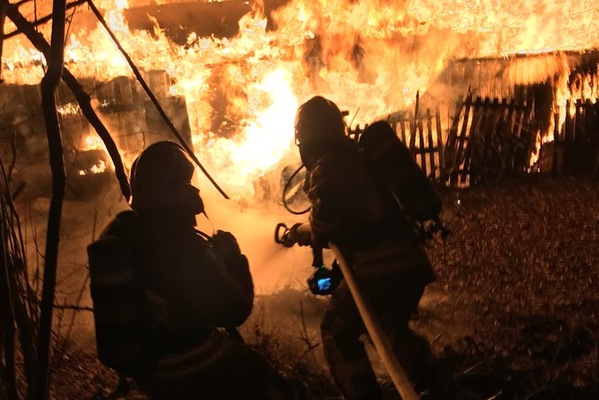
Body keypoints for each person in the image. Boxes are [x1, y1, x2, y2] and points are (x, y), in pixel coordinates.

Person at [94, 141, 303, 400]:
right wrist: (233, 259)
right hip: (194, 365)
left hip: (150, 375)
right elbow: (234, 311)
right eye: (186, 183)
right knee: (275, 387)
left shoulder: (120, 234)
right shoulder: (185, 248)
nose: (193, 190)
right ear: (174, 190)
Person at [286, 96, 454, 400]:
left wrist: (303, 231)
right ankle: (437, 389)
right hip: (409, 262)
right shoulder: (360, 157)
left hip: (377, 268)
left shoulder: (328, 166)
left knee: (337, 333)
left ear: (305, 136)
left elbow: (326, 225)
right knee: (390, 331)